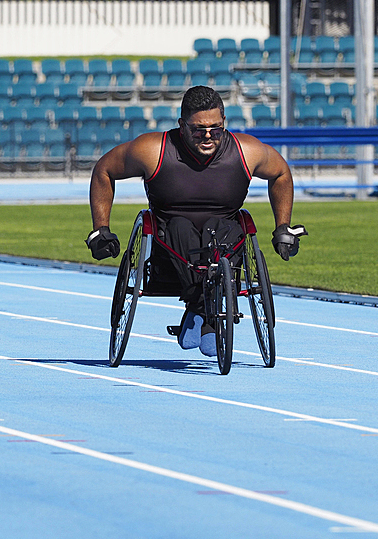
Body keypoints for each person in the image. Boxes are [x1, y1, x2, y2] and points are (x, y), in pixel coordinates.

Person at [87, 85, 306, 355]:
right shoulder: (152, 149)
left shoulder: (246, 151)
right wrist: (101, 229)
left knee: (223, 227)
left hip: (225, 238)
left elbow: (281, 173)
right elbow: (104, 170)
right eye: (198, 129)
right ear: (181, 125)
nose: (207, 136)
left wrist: (283, 227)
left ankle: (198, 310)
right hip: (170, 244)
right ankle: (207, 315)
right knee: (180, 225)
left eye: (215, 129)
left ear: (224, 123)